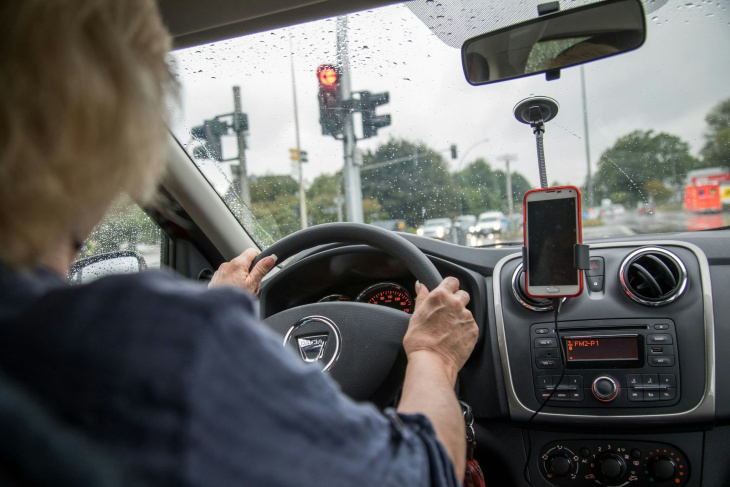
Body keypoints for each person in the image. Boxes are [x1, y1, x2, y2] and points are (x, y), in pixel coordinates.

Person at [0, 1, 479, 486]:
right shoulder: (162, 349)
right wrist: (433, 355)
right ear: (104, 137)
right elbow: (420, 475)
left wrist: (221, 307)